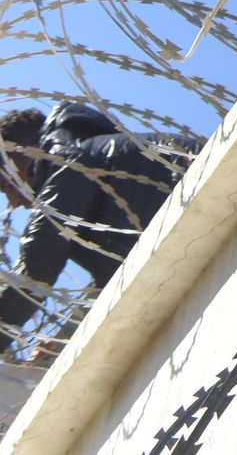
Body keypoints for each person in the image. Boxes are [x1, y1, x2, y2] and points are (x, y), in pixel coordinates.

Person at [0, 102, 188, 358]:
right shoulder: (88, 168)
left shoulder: (69, 160)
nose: (13, 201)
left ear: (30, 151)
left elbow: (37, 268)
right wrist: (69, 338)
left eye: (7, 184)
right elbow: (118, 276)